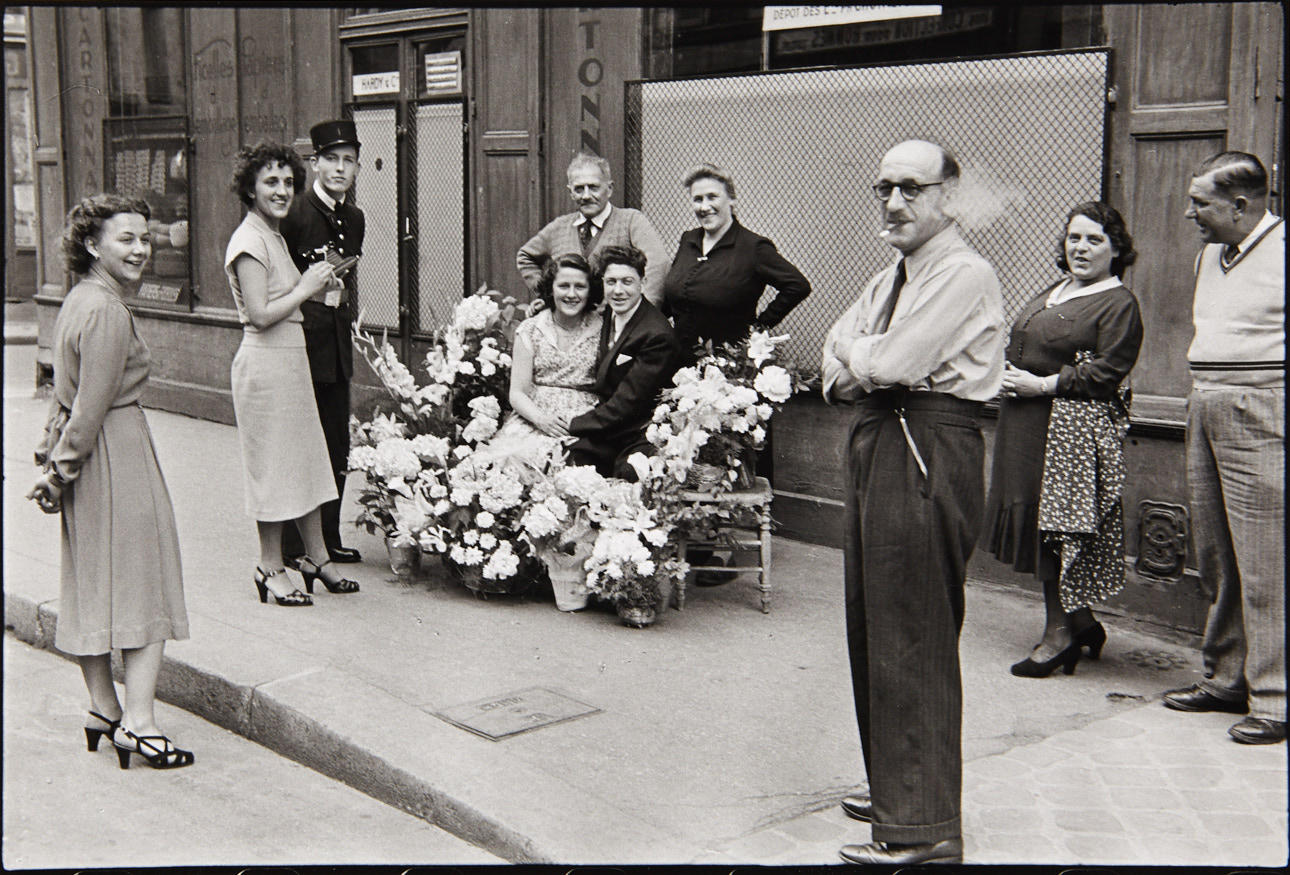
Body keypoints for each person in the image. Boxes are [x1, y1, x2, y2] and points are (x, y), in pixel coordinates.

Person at [821, 140, 1005, 865]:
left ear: (948, 196)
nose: (893, 203)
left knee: (914, 628)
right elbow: (835, 348)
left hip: (926, 440)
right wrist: (863, 363)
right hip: (883, 433)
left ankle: (924, 827)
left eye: (911, 189)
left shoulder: (964, 272)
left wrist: (863, 360)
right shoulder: (895, 273)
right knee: (873, 620)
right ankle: (898, 783)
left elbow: (887, 362)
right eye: (884, 188)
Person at [27, 194, 193, 769]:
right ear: (93, 244)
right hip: (115, 453)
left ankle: (105, 708)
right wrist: (61, 466)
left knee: (94, 583)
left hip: (87, 457)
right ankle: (141, 724)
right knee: (145, 583)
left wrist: (54, 460)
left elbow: (65, 394)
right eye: (126, 238)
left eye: (146, 238)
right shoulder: (108, 310)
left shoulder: (79, 299)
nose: (142, 249)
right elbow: (93, 404)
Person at [982, 202, 1143, 677]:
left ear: (1116, 250)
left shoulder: (1119, 304)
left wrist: (1044, 385)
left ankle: (1059, 634)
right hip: (1025, 424)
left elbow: (1108, 371)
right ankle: (1082, 620)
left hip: (1065, 434)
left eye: (1095, 240)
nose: (1081, 247)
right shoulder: (1056, 290)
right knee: (1038, 520)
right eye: (1074, 237)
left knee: (1055, 526)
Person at [1161, 151, 1285, 745]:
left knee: (1267, 560)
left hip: (1260, 408)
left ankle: (1277, 696)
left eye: (1200, 203)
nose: (1190, 213)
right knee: (1216, 553)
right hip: (1204, 402)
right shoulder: (1211, 255)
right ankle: (1227, 677)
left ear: (1241, 205)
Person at [225, 141, 361, 606]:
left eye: (287, 182)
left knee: (306, 460)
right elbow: (260, 314)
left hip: (290, 359)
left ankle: (316, 558)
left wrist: (321, 287)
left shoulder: (274, 236)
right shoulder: (248, 241)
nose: (282, 191)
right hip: (264, 365)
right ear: (250, 188)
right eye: (270, 182)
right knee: (273, 469)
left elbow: (287, 302)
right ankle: (270, 566)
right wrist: (305, 287)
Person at [280, 120, 366, 566]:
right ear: (315, 163)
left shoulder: (353, 217)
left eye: (348, 160)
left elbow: (344, 280)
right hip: (299, 343)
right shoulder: (294, 213)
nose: (339, 168)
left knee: (335, 444)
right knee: (301, 444)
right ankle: (296, 546)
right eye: (331, 159)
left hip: (335, 345)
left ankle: (328, 539)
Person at [662, 163, 811, 363]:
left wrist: (759, 327)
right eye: (697, 199)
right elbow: (673, 296)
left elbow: (797, 285)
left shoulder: (753, 247)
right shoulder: (688, 240)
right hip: (677, 359)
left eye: (712, 197)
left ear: (731, 199)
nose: (704, 207)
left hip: (726, 366)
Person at [567, 244, 681, 479]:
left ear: (643, 281)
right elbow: (570, 302)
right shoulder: (611, 311)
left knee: (626, 476)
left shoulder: (656, 334)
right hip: (612, 427)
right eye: (611, 282)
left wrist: (572, 424)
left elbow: (627, 404)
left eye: (627, 282)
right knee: (572, 459)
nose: (618, 291)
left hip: (640, 432)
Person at [517, 153, 671, 307]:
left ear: (609, 189)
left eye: (593, 187)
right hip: (571, 323)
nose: (586, 196)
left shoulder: (631, 221)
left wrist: (643, 312)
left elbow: (658, 264)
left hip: (617, 323)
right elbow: (525, 256)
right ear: (570, 192)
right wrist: (550, 296)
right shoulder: (559, 226)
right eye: (579, 189)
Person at [494, 252, 603, 449]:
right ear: (551, 289)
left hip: (583, 421)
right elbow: (517, 393)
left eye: (579, 286)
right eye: (563, 286)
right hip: (534, 418)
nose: (571, 294)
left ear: (590, 290)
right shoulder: (530, 329)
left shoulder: (603, 330)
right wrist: (541, 420)